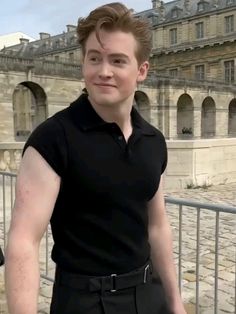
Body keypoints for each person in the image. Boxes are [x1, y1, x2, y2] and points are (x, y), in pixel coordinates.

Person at [5, 2, 186, 314]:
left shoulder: (153, 141)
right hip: (85, 301)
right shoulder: (53, 139)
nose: (104, 71)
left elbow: (157, 226)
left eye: (117, 60)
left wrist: (176, 303)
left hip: (147, 295)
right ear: (83, 64)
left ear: (141, 70)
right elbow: (24, 241)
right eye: (94, 59)